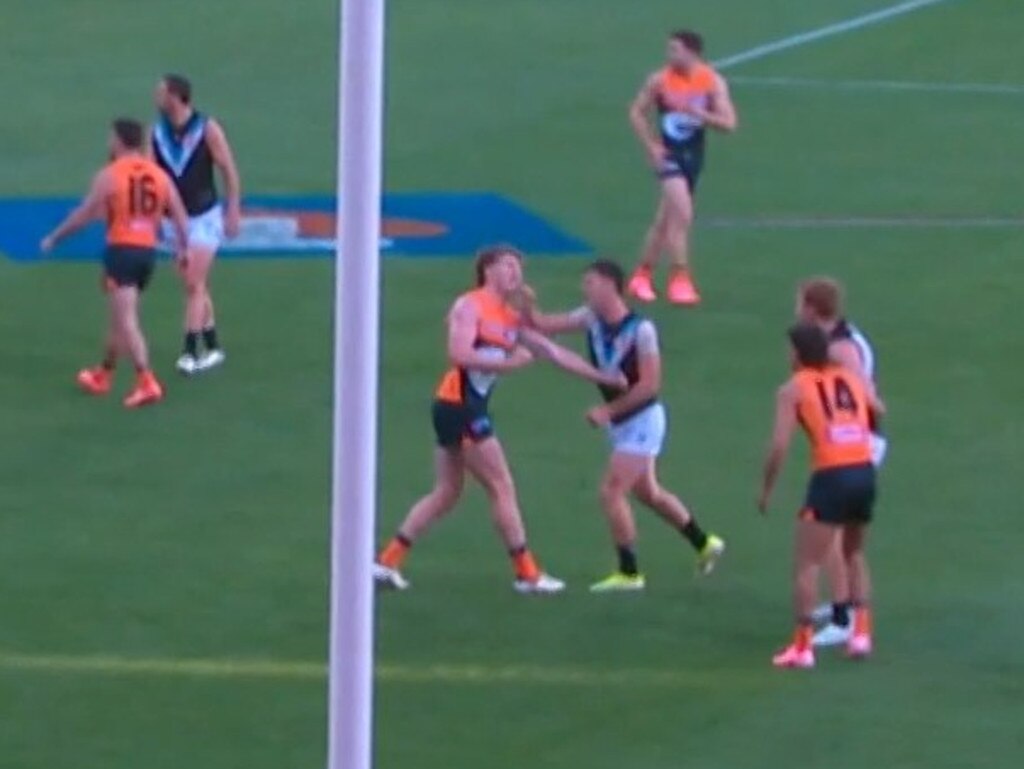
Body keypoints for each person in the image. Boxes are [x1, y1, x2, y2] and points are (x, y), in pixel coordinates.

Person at [372, 246, 628, 594]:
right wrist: (510, 364)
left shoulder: (509, 317)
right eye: (508, 265)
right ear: (488, 269)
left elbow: (553, 353)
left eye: (519, 267)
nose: (515, 273)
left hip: (460, 406)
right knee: (501, 485)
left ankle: (386, 562)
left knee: (447, 492)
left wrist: (604, 378)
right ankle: (527, 574)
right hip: (460, 405)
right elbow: (458, 353)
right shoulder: (470, 305)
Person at [523, 259, 725, 591]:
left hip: (642, 419)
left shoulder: (642, 330)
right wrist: (529, 306)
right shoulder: (590, 318)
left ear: (609, 285)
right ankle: (704, 543)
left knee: (611, 491)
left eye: (590, 282)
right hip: (623, 423)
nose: (584, 289)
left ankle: (629, 572)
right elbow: (544, 325)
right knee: (648, 493)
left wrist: (609, 411)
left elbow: (650, 386)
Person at [757, 323, 883, 669]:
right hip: (864, 469)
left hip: (831, 475)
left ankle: (802, 647)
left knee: (807, 563)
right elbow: (877, 408)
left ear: (798, 353)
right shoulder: (850, 378)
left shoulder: (793, 389)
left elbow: (780, 445)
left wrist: (767, 488)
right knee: (854, 553)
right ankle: (861, 634)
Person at [41, 118, 189, 408]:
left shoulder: (110, 175)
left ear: (120, 141)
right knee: (119, 317)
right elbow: (180, 216)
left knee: (128, 320)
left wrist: (55, 238)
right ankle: (104, 373)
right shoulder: (159, 175)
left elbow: (84, 215)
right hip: (147, 253)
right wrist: (182, 249)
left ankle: (146, 380)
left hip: (122, 251)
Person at [795, 278, 888, 647]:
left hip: (857, 445)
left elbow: (867, 399)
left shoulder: (841, 348)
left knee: (831, 530)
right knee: (833, 531)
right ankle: (845, 603)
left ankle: (844, 615)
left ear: (811, 308)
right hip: (848, 444)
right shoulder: (833, 340)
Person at [626, 29, 737, 306]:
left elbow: (729, 124)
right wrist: (651, 146)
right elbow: (636, 112)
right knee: (683, 214)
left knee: (665, 221)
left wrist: (699, 114)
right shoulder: (659, 80)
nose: (669, 55)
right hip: (669, 156)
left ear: (692, 52)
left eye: (675, 50)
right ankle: (680, 279)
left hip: (694, 156)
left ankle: (641, 276)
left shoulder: (711, 82)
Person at [152, 73, 242, 375]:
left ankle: (190, 352)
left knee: (193, 283)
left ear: (175, 97)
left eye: (161, 92)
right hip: (172, 222)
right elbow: (153, 179)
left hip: (204, 218)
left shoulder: (207, 130)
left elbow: (229, 170)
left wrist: (233, 210)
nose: (156, 96)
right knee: (195, 285)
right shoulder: (157, 134)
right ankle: (213, 346)